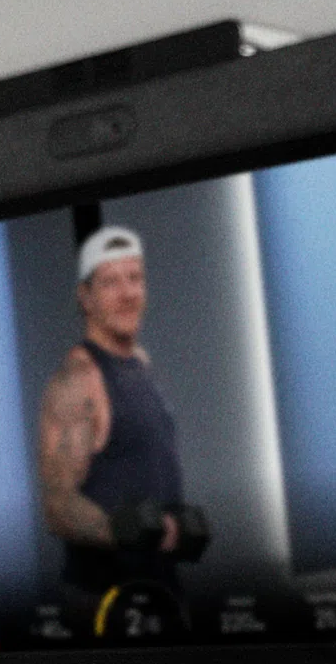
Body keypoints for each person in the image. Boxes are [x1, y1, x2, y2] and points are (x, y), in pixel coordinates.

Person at [35, 224, 211, 629]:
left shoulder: (140, 364)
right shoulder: (79, 378)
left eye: (135, 278)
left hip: (159, 596)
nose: (128, 293)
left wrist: (173, 529)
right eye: (111, 283)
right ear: (86, 297)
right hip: (102, 604)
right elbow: (58, 506)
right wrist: (120, 530)